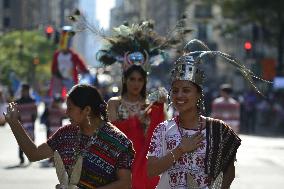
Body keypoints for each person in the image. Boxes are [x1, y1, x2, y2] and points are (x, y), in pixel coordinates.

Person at [147, 38, 270, 188]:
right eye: (175, 90)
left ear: (198, 95)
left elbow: (229, 172)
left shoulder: (219, 129)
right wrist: (180, 149)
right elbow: (151, 170)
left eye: (186, 90)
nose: (179, 95)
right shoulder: (162, 129)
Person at [4, 84, 135, 188]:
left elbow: (125, 183)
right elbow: (34, 154)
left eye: (70, 108)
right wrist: (14, 123)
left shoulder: (118, 142)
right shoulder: (65, 134)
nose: (66, 112)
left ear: (87, 110)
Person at [96, 21, 170, 189]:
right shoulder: (114, 103)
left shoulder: (151, 106)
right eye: (132, 79)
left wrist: (160, 108)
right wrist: (136, 121)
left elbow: (160, 138)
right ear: (125, 80)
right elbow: (111, 134)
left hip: (145, 168)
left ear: (145, 82)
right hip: (120, 165)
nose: (136, 84)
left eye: (140, 80)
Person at [49, 26, 89, 98]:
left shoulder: (73, 55)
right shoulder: (57, 54)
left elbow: (80, 64)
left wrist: (85, 70)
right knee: (56, 96)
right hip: (59, 78)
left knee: (72, 96)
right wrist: (54, 74)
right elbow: (53, 67)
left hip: (70, 79)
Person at [15, 83, 37, 165]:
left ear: (28, 91)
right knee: (21, 142)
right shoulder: (18, 101)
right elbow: (16, 114)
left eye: (25, 90)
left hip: (30, 125)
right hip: (21, 124)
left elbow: (35, 113)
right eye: (23, 90)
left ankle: (30, 157)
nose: (24, 92)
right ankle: (21, 158)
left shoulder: (32, 101)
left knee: (31, 141)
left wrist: (33, 121)